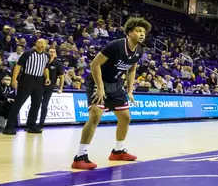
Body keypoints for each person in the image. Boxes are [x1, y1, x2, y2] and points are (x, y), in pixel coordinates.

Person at [71, 17, 151, 170]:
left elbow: (132, 68)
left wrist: (129, 90)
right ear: (129, 33)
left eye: (144, 32)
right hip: (98, 81)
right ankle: (80, 156)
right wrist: (100, 87)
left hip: (115, 84)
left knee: (126, 117)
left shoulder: (139, 50)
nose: (142, 34)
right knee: (95, 116)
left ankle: (118, 151)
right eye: (138, 31)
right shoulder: (115, 46)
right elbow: (94, 64)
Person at [3, 39, 50, 135]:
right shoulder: (27, 53)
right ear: (36, 43)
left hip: (39, 80)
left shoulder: (47, 56)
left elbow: (45, 67)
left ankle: (31, 125)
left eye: (44, 43)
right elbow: (18, 66)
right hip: (27, 79)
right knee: (18, 103)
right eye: (40, 42)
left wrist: (47, 78)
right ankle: (9, 127)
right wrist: (14, 79)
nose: (42, 44)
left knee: (36, 104)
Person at [38, 47, 65, 131]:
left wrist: (61, 88)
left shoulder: (57, 64)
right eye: (50, 51)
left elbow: (61, 77)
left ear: (56, 54)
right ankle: (30, 124)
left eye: (54, 52)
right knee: (35, 105)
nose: (52, 53)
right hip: (38, 86)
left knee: (44, 105)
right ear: (47, 52)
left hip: (49, 88)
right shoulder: (42, 61)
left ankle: (40, 125)